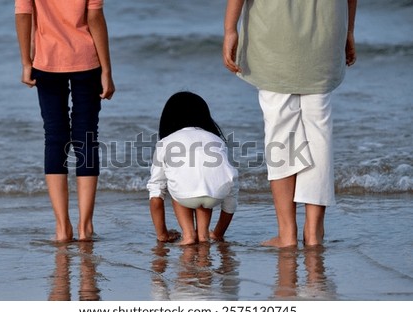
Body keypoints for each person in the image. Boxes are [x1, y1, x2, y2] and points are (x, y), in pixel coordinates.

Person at [223, 0, 357, 247]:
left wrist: (230, 28)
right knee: (319, 135)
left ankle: (287, 234)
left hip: (275, 37)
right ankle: (314, 233)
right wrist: (349, 30)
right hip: (326, 32)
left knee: (280, 134)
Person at [15, 0, 115, 242]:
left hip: (46, 59)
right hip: (87, 60)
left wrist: (26, 62)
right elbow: (94, 18)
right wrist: (107, 71)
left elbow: (23, 14)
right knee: (87, 138)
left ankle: (62, 228)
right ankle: (85, 227)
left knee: (54, 138)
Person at [147, 92, 239, 245]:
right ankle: (203, 236)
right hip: (217, 194)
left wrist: (162, 234)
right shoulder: (216, 139)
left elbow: (156, 193)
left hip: (186, 196)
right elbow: (231, 194)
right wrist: (218, 233)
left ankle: (189, 235)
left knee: (180, 181)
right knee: (204, 182)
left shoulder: (166, 142)